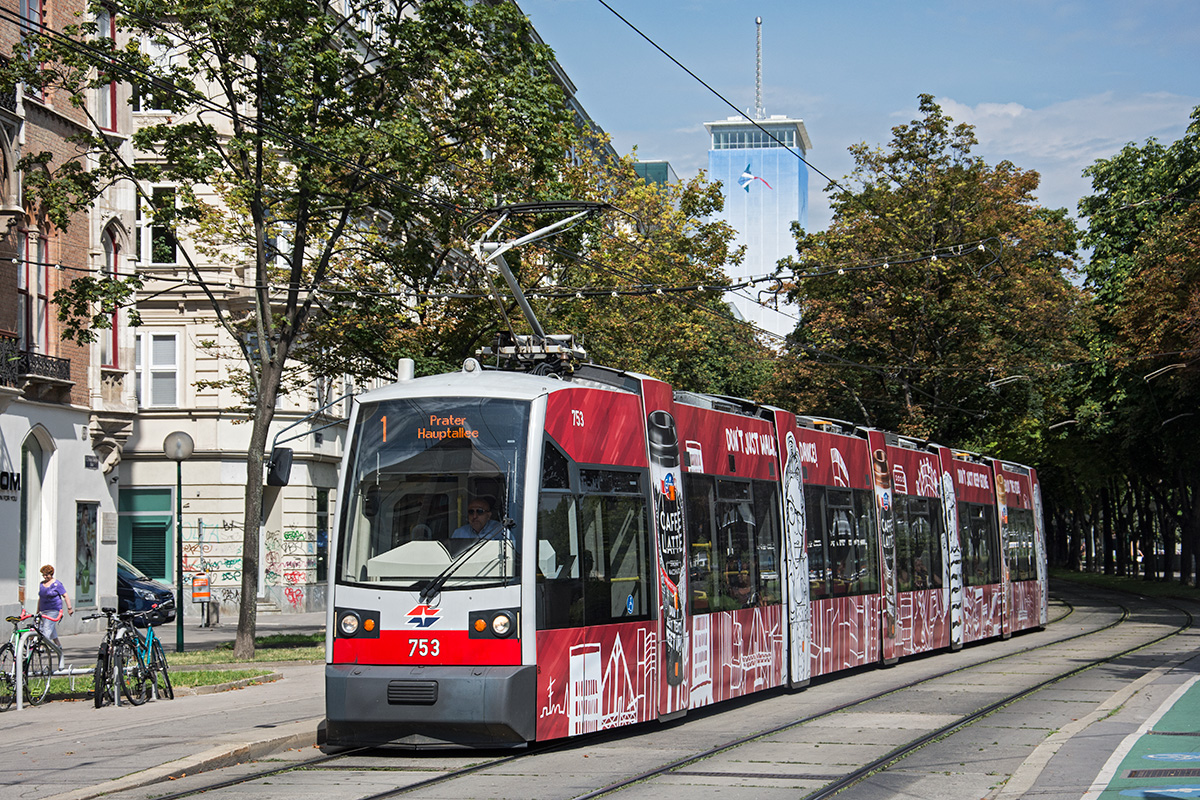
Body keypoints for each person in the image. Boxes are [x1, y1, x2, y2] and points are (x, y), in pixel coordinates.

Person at [38, 564, 72, 662]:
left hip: (54, 610)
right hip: (43, 610)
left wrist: (69, 608)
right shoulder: (42, 584)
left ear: (51, 574)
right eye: (43, 575)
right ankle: (58, 646)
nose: (45, 577)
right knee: (46, 628)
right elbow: (40, 598)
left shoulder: (57, 584)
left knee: (47, 628)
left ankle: (41, 647)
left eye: (47, 575)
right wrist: (38, 610)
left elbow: (65, 595)